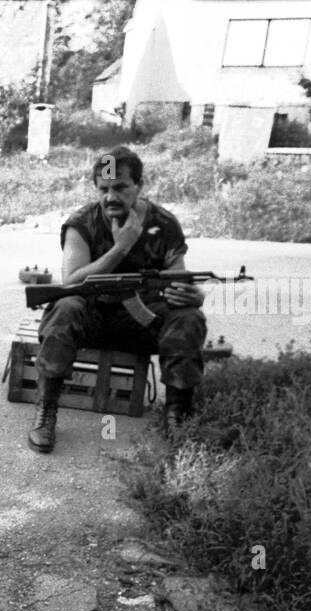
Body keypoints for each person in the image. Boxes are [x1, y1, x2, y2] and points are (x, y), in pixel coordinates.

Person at [29, 146, 207, 454]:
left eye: (121, 187)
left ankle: (178, 414)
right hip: (91, 320)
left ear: (139, 186)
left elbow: (176, 280)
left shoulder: (162, 224)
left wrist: (192, 294)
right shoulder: (83, 223)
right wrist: (121, 248)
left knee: (188, 317)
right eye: (104, 189)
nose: (111, 196)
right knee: (65, 307)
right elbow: (71, 281)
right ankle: (46, 410)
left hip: (141, 324)